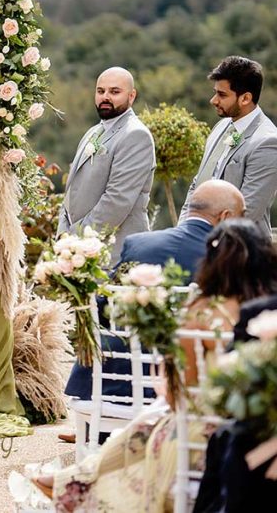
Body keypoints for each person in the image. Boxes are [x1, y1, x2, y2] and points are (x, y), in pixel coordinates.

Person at [38, 219, 277, 512]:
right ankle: (72, 482)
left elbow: (182, 393)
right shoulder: (267, 308)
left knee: (152, 421)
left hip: (206, 426)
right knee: (150, 420)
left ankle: (72, 484)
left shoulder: (199, 313)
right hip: (255, 421)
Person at [62, 180, 246, 410]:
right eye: (242, 216)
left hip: (109, 384)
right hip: (178, 387)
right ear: (226, 216)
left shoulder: (138, 244)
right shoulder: (229, 261)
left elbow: (102, 307)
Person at [58, 67, 156, 265]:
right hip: (78, 250)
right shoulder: (93, 132)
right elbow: (71, 191)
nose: (105, 97)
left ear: (132, 95)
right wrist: (62, 234)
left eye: (114, 92)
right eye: (100, 91)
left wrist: (75, 239)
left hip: (113, 252)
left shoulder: (136, 135)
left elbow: (117, 200)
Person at [180, 55, 277, 236]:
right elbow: (198, 184)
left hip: (239, 251)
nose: (213, 100)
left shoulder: (268, 142)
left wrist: (204, 242)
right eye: (215, 92)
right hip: (198, 242)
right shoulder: (222, 126)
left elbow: (248, 211)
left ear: (245, 98)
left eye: (222, 94)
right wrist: (183, 232)